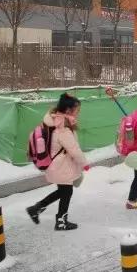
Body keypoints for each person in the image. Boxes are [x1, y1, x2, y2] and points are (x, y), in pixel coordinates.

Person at [26, 93, 89, 231]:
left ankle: (37, 208)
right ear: (68, 111)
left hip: (56, 165)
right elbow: (74, 149)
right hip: (61, 166)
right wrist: (84, 163)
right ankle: (60, 221)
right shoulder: (63, 128)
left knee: (63, 191)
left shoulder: (55, 121)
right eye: (77, 110)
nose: (78, 113)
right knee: (66, 192)